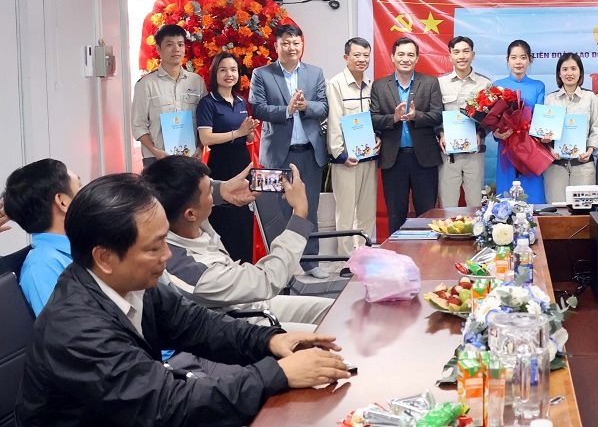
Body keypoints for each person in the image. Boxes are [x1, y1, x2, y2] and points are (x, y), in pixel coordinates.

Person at [16, 173, 350, 427]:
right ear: (104, 257)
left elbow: (200, 325)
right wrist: (276, 373)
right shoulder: (76, 329)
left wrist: (272, 341)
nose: (166, 256)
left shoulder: (132, 281)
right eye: (154, 247)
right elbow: (165, 404)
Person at [143, 156, 330, 332]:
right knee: (333, 334)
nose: (214, 192)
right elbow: (266, 280)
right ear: (191, 214)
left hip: (253, 305)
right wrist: (300, 214)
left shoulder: (177, 221)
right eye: (209, 190)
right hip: (242, 327)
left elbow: (185, 196)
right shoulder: (190, 271)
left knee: (332, 310)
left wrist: (223, 189)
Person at [250, 24, 330, 278]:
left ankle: (311, 262)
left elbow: (324, 107)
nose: (291, 48)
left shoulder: (315, 73)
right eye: (286, 43)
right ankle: (280, 266)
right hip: (278, 154)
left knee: (311, 207)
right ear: (276, 46)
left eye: (296, 43)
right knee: (278, 210)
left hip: (309, 152)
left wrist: (306, 106)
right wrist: (287, 110)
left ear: (301, 45)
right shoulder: (262, 74)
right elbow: (258, 109)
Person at [369, 37, 444, 233]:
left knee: (427, 214)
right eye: (401, 54)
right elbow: (373, 119)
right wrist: (393, 118)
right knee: (396, 214)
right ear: (392, 57)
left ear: (417, 58)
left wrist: (415, 116)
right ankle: (396, 259)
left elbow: (437, 116)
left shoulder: (429, 83)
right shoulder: (379, 86)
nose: (405, 59)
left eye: (411, 55)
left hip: (424, 159)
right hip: (394, 160)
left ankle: (427, 258)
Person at [197, 52, 256, 263]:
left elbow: (247, 136)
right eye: (223, 70)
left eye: (233, 70)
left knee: (243, 214)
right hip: (220, 163)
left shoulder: (241, 101)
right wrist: (238, 133)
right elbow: (206, 138)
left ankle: (246, 264)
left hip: (242, 159)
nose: (229, 74)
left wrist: (249, 131)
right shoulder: (208, 103)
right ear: (215, 74)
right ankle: (225, 264)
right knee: (224, 214)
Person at [1, 159, 82, 315]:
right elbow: (64, 335)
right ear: (62, 202)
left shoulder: (81, 249)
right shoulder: (42, 268)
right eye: (79, 187)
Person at [326, 37, 380, 256]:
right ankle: (346, 260)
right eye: (357, 55)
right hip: (346, 159)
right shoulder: (336, 84)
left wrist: (378, 138)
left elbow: (375, 118)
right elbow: (334, 120)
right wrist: (340, 153)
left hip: (369, 156)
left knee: (367, 210)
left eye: (366, 55)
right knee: (346, 212)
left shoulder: (372, 84)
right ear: (346, 57)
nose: (362, 60)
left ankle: (364, 255)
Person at [130, 24, 206, 167]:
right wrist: (155, 151)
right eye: (169, 45)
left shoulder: (197, 82)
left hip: (190, 157)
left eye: (180, 44)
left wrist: (200, 147)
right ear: (158, 49)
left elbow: (205, 120)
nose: (176, 49)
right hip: (157, 159)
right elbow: (138, 126)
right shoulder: (146, 84)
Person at [437, 36, 490, 208]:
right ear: (450, 55)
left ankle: (476, 235)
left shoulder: (485, 84)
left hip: (475, 154)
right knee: (448, 204)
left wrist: (480, 133)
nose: (461, 56)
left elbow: (490, 118)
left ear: (473, 55)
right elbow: (435, 115)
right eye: (457, 52)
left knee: (475, 204)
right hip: (447, 155)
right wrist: (441, 133)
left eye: (466, 51)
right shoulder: (439, 83)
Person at [492, 39, 547, 203]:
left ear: (530, 60)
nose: (518, 62)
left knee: (533, 200)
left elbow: (540, 117)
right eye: (514, 57)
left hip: (530, 148)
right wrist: (497, 133)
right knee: (506, 200)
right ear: (507, 60)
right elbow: (493, 118)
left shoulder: (538, 86)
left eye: (523, 57)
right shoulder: (498, 85)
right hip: (507, 149)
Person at [542, 53, 598, 203]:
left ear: (580, 72)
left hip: (583, 164)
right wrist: (549, 147)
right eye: (565, 69)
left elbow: (596, 127)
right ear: (559, 74)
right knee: (557, 212)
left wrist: (590, 151)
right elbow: (544, 130)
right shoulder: (550, 99)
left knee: (583, 213)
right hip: (555, 165)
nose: (569, 73)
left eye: (573, 68)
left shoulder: (590, 97)